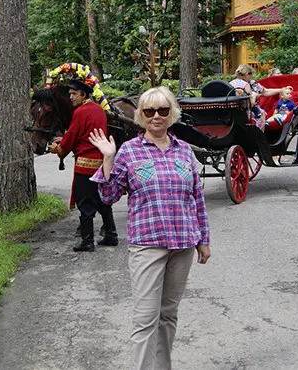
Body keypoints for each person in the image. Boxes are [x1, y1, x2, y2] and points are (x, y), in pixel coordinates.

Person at [88, 86, 210, 369]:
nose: (157, 116)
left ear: (172, 114)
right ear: (142, 115)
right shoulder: (129, 152)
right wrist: (107, 157)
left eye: (163, 110)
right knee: (145, 319)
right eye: (150, 111)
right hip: (147, 245)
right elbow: (108, 196)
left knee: (168, 315)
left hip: (183, 244)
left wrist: (203, 238)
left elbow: (197, 198)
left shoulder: (184, 153)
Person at [50, 79, 117, 252]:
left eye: (74, 94)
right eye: (70, 94)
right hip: (100, 163)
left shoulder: (80, 112)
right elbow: (83, 134)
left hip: (85, 165)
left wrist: (58, 148)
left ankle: (87, 241)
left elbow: (72, 137)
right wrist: (64, 140)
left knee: (85, 202)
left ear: (83, 94)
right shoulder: (99, 110)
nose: (70, 97)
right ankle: (111, 234)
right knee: (102, 199)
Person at [229, 64, 292, 131]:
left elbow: (264, 91)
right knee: (261, 114)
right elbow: (251, 103)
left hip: (233, 114)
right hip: (247, 113)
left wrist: (281, 90)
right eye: (251, 75)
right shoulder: (246, 84)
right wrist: (255, 96)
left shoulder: (231, 83)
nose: (251, 77)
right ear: (247, 74)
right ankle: (261, 137)